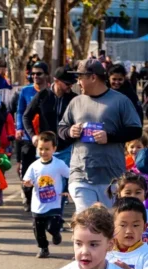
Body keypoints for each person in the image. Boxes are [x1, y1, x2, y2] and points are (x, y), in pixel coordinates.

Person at [58, 59, 143, 212]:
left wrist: (109, 137)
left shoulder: (120, 101)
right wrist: (70, 132)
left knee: (108, 224)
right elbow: (62, 128)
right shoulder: (75, 102)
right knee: (88, 217)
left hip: (111, 177)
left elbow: (136, 130)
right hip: (80, 174)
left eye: (80, 77)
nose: (78, 82)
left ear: (92, 77)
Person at [22, 132, 69, 258]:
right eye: (41, 149)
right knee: (38, 229)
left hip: (54, 202)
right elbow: (27, 179)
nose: (43, 152)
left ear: (54, 148)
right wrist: (28, 183)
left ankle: (56, 233)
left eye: (47, 149)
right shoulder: (34, 165)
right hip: (38, 204)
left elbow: (70, 176)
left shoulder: (59, 164)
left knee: (52, 226)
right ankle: (43, 248)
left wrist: (67, 190)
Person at [22, 67, 77, 168]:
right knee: (45, 181)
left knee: (66, 182)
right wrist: (32, 135)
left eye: (72, 83)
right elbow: (26, 116)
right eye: (67, 84)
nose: (70, 86)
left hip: (66, 149)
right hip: (45, 149)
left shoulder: (74, 99)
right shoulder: (42, 95)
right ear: (56, 81)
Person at [15, 62, 50, 210]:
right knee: (28, 169)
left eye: (39, 73)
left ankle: (47, 198)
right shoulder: (26, 91)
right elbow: (20, 111)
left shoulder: (51, 91)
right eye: (33, 73)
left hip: (47, 137)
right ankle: (28, 198)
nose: (35, 76)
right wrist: (19, 128)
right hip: (29, 138)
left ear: (46, 75)